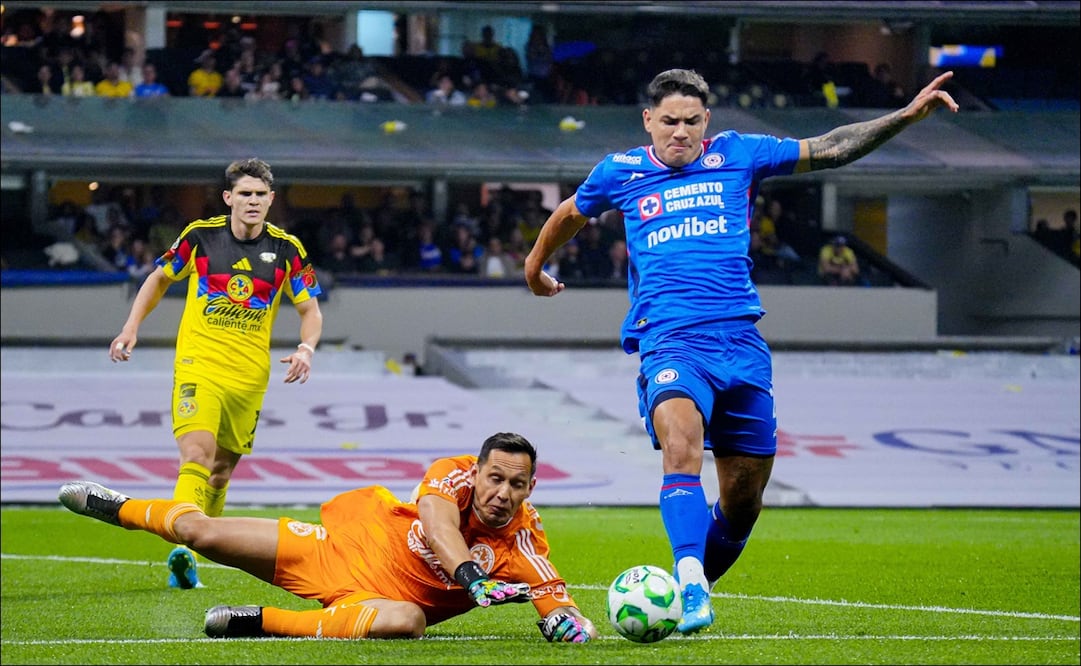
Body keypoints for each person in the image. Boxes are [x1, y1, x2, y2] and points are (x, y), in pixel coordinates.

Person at [523, 68, 958, 635]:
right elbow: (569, 214)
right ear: (648, 121)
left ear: (707, 121)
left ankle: (688, 584)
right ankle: (691, 580)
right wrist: (535, 268)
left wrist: (901, 118)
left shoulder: (738, 155)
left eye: (692, 121)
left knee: (744, 496)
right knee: (681, 447)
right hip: (670, 338)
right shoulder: (621, 171)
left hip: (741, 344)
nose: (680, 132)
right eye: (670, 121)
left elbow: (827, 149)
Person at [57, 432, 597, 643]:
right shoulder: (451, 473)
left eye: (516, 485)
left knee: (407, 622)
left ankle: (262, 623)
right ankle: (118, 506)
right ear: (477, 472)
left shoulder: (526, 544)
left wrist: (562, 624)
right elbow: (436, 526)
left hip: (375, 603)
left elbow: (566, 610)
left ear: (531, 488)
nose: (502, 493)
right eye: (495, 478)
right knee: (201, 531)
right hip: (337, 549)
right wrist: (473, 579)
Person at [107, 158, 324, 590]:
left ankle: (200, 541)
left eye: (261, 195)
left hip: (249, 379)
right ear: (228, 198)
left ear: (271, 200)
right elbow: (157, 279)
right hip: (199, 367)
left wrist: (306, 348)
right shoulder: (199, 236)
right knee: (196, 457)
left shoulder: (287, 250)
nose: (253, 201)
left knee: (221, 473)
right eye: (245, 194)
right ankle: (183, 553)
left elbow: (309, 309)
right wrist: (131, 327)